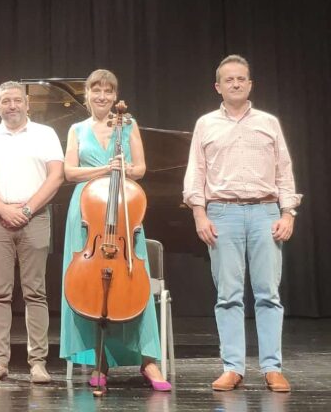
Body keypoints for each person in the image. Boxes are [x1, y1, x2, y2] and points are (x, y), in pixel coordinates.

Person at [183, 54, 301, 393]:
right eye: (229, 79)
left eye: (241, 79)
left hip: (265, 213)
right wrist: (199, 213)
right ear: (218, 87)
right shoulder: (205, 123)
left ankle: (272, 368)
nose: (235, 83)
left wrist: (288, 212)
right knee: (228, 295)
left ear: (250, 84)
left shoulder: (269, 122)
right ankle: (232, 367)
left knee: (268, 294)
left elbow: (285, 170)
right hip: (222, 213)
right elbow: (197, 172)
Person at [59, 69, 171, 391]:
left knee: (133, 280)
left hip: (123, 207)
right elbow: (69, 172)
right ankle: (99, 362)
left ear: (115, 95)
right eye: (97, 90)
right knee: (87, 285)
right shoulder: (76, 129)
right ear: (87, 94)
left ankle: (148, 361)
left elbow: (141, 168)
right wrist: (104, 168)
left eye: (108, 91)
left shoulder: (128, 124)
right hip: (87, 211)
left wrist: (125, 169)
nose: (102, 96)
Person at [0, 81, 64, 384]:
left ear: (27, 104)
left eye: (17, 100)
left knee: (36, 292)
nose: (12, 105)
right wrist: (2, 209)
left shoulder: (45, 134)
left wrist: (26, 210)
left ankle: (37, 362)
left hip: (34, 217)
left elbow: (56, 175)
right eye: (6, 101)